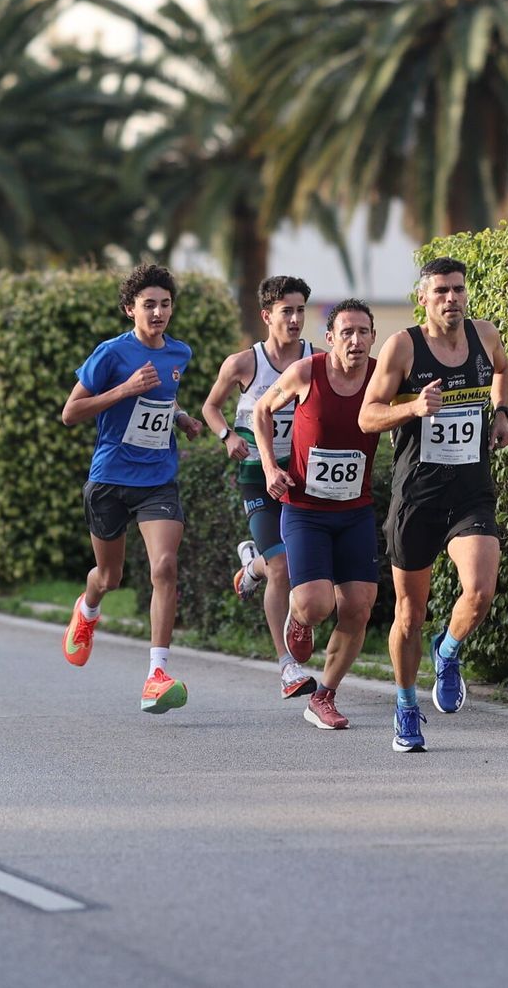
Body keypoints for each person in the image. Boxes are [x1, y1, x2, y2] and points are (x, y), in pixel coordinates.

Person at [359, 257, 508, 752]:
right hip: (418, 495)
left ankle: (447, 652)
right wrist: (413, 407)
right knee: (409, 613)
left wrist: (502, 415)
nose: (452, 299)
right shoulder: (403, 346)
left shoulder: (484, 335)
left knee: (482, 590)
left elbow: (503, 370)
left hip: (469, 490)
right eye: (442, 291)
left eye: (459, 290)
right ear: (423, 297)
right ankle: (406, 706)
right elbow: (367, 416)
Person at [61, 263, 204, 714]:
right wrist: (122, 389)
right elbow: (71, 412)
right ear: (130, 310)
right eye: (148, 305)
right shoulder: (110, 354)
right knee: (110, 576)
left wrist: (180, 418)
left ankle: (156, 675)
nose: (158, 311)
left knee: (164, 567)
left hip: (158, 478)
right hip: (109, 479)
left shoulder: (179, 353)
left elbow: (162, 397)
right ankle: (87, 609)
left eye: (164, 304)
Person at [255, 298, 381, 732]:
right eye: (346, 332)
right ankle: (298, 616)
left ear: (373, 337)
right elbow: (261, 410)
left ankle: (324, 696)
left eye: (363, 332)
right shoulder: (307, 372)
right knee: (316, 605)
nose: (356, 340)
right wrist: (272, 466)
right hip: (306, 510)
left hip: (356, 511)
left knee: (360, 608)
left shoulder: (382, 376)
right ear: (330, 339)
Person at [199, 275, 317, 700]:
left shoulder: (314, 360)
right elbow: (210, 407)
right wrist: (228, 436)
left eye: (301, 310)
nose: (295, 318)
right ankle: (287, 666)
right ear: (267, 316)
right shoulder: (244, 364)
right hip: (255, 475)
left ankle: (251, 567)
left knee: (302, 565)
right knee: (283, 568)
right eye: (287, 311)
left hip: (302, 476)